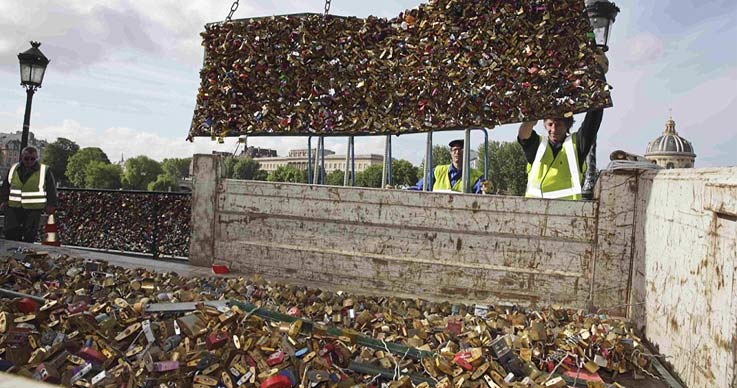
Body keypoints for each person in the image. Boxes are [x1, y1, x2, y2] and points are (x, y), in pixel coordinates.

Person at [517, 109, 603, 200]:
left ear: (567, 125)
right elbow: (523, 136)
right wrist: (530, 121)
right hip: (533, 209)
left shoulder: (577, 145)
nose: (553, 130)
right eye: (550, 124)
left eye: (558, 125)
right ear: (545, 125)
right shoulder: (538, 145)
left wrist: (597, 100)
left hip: (568, 211)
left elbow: (592, 123)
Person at [0, 146, 58, 242]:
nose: (29, 161)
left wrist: (51, 205)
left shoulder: (44, 170)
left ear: (36, 158)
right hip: (13, 207)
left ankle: (25, 254)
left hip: (34, 208)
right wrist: (3, 201)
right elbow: (5, 187)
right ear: (22, 157)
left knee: (29, 235)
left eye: (32, 159)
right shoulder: (14, 168)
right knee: (11, 233)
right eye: (26, 158)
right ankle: (12, 255)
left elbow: (51, 189)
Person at [408, 139, 491, 194]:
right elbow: (419, 188)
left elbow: (481, 196)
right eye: (454, 150)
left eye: (461, 150)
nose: (457, 152)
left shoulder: (477, 177)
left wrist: (486, 189)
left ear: (467, 153)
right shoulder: (437, 171)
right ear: (450, 153)